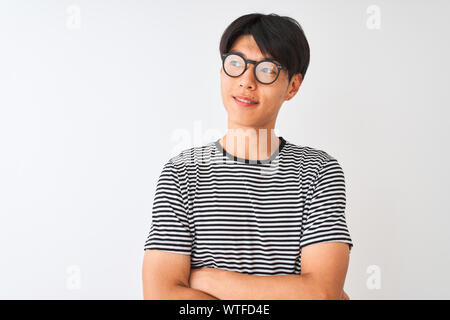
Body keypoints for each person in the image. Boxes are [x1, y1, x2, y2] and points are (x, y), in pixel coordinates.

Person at [142, 13, 353, 300]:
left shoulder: (318, 171)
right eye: (235, 64)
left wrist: (207, 278)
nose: (246, 81)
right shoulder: (183, 172)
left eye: (267, 70)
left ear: (293, 86)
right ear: (221, 72)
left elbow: (321, 293)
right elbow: (161, 295)